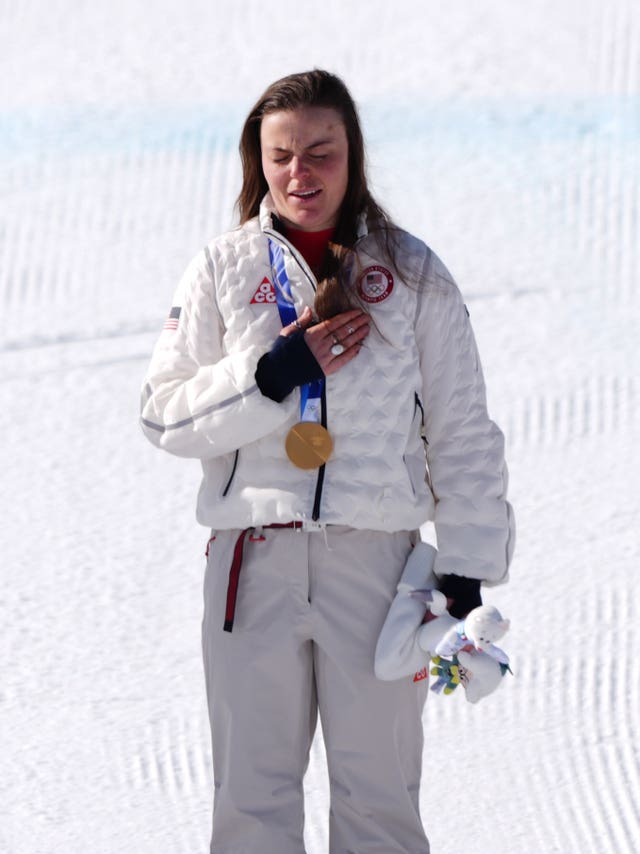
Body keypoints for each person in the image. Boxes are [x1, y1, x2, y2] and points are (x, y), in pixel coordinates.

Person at [140, 69, 515, 854]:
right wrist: (272, 375)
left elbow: (463, 432)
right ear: (258, 161)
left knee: (379, 800)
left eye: (321, 152)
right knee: (251, 804)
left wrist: (468, 567)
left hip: (376, 570)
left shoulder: (411, 276)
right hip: (253, 560)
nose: (300, 174)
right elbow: (163, 414)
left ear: (354, 156)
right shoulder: (222, 268)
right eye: (281, 156)